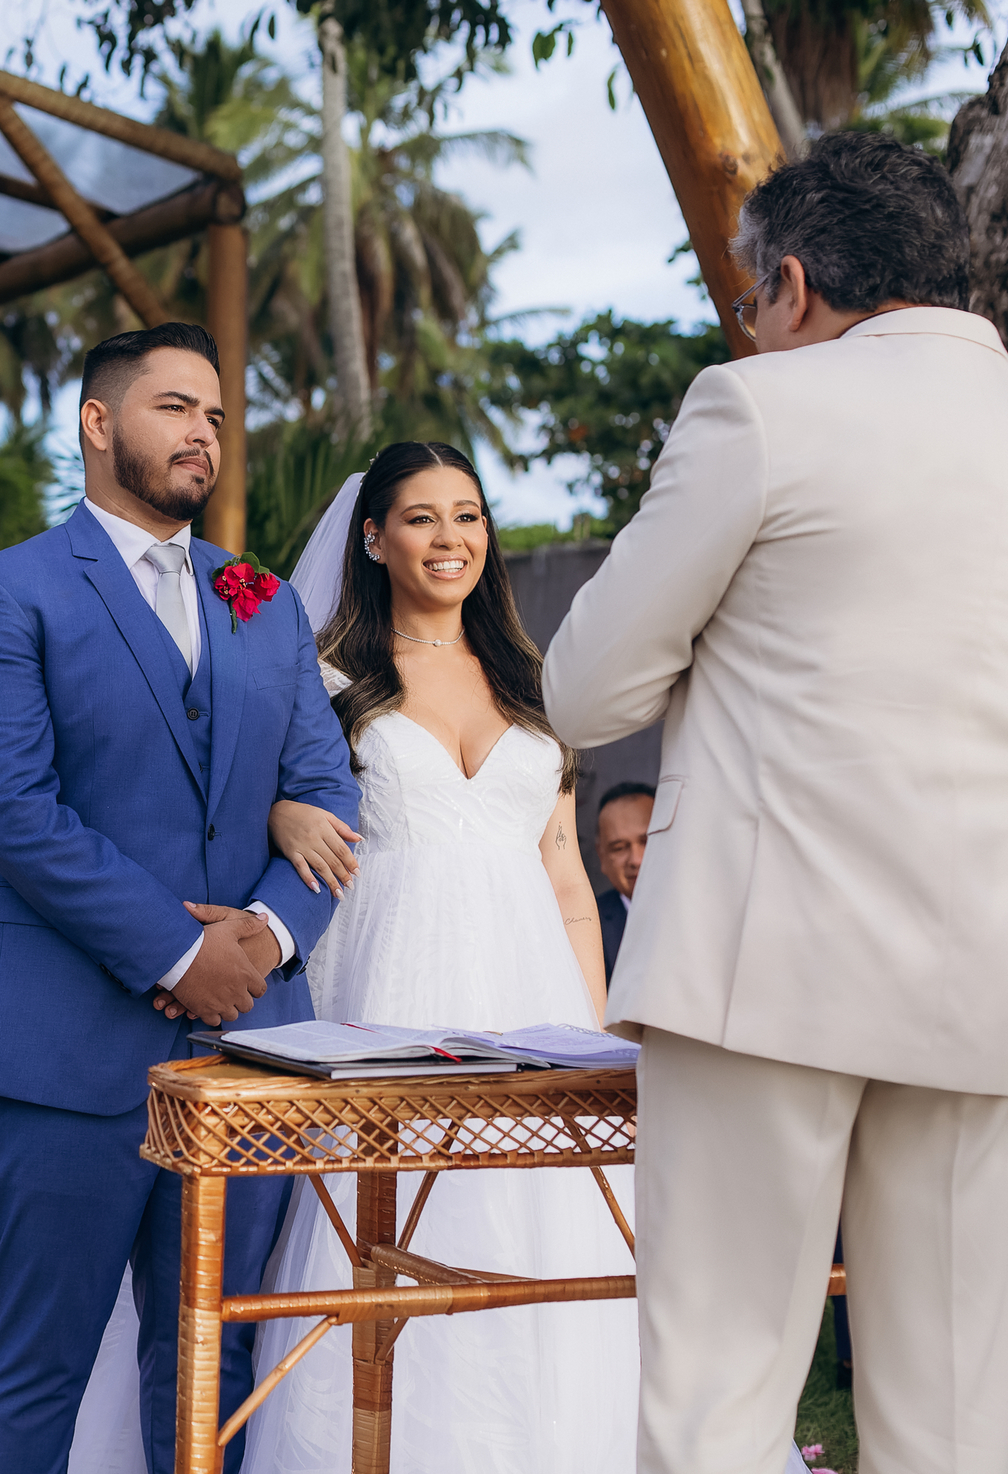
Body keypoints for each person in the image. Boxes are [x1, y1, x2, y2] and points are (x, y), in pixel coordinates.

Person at [542, 130, 1008, 1474]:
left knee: (716, 1407)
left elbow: (588, 690)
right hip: (997, 984)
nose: (750, 327)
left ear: (796, 285)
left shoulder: (762, 408)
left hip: (770, 973)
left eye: (750, 300)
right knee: (953, 1429)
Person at [0, 321, 357, 1474]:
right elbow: (15, 810)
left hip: (252, 1055)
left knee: (216, 1364)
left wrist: (264, 938)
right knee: (34, 1367)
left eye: (216, 415)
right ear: (96, 422)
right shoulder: (1, 594)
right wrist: (182, 959)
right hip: (66, 1056)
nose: (203, 433)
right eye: (176, 407)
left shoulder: (261, 602)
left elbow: (323, 790)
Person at [213, 444, 638, 1474]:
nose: (450, 538)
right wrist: (280, 809)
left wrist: (600, 1037)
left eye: (468, 516)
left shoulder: (538, 682)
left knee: (547, 1241)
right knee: (378, 1232)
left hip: (533, 994)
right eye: (421, 518)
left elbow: (567, 875)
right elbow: (251, 805)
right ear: (373, 537)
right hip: (387, 991)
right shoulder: (324, 678)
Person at [594, 781, 656, 986]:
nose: (635, 860)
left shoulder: (709, 911)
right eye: (619, 848)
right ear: (601, 856)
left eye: (646, 842)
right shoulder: (590, 926)